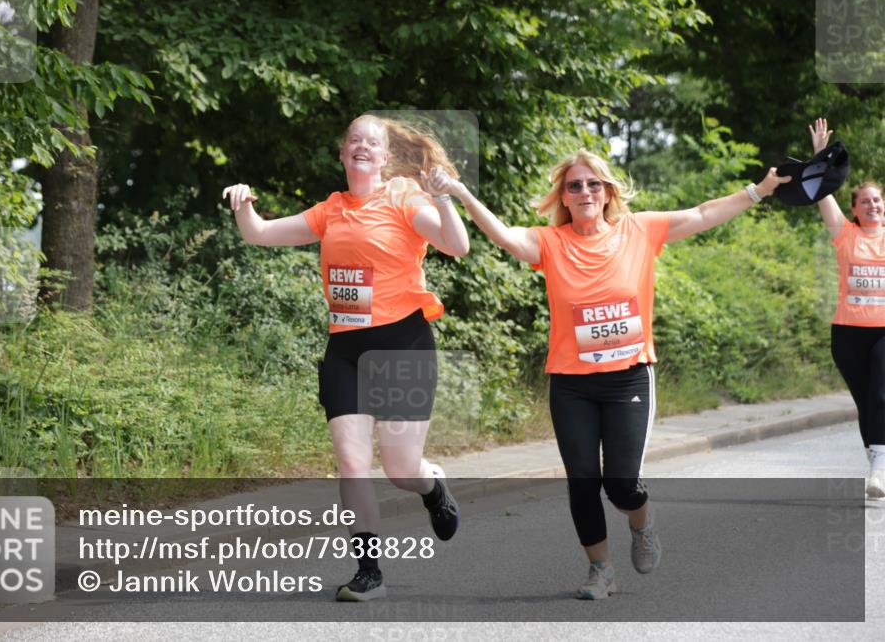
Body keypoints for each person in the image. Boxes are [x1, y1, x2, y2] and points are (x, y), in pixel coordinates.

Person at [421, 151, 789, 599]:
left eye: (594, 184)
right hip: (572, 384)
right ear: (564, 197)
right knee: (581, 481)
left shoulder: (639, 230)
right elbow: (503, 237)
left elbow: (701, 213)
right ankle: (601, 571)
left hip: (629, 379)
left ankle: (642, 520)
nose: (585, 192)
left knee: (621, 483)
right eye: (574, 186)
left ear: (609, 192)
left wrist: (760, 191)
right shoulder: (550, 243)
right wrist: (459, 193)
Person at [222, 114, 469, 601]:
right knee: (352, 465)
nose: (361, 147)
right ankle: (369, 571)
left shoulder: (402, 198)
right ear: (342, 153)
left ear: (383, 155)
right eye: (353, 140)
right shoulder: (330, 210)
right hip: (346, 347)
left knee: (401, 470)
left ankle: (432, 486)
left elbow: (456, 245)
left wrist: (442, 197)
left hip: (402, 344)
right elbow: (260, 233)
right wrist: (243, 205)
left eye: (371, 142)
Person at [809, 118, 885, 499]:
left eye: (877, 200)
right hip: (848, 335)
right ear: (854, 209)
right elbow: (823, 194)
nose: (872, 205)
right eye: (865, 201)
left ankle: (878, 470)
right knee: (865, 404)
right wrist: (821, 156)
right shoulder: (845, 235)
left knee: (880, 395)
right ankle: (878, 461)